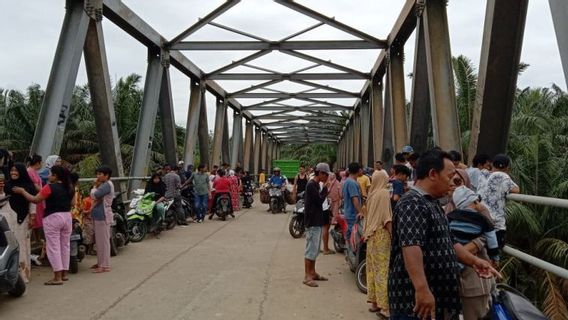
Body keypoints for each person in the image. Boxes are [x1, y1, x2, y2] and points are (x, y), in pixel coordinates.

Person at [388, 149, 499, 320]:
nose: (452, 183)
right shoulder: (413, 203)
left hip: (435, 298)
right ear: (433, 174)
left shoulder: (431, 203)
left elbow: (450, 242)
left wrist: (475, 261)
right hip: (414, 303)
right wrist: (422, 289)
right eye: (449, 177)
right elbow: (411, 247)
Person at [13, 165, 74, 285]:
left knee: (53, 247)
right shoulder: (69, 187)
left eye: (50, 174)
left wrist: (23, 191)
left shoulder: (49, 187)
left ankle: (57, 277)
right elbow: (72, 203)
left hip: (52, 217)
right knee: (65, 245)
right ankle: (64, 274)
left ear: (56, 176)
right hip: (67, 216)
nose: (48, 176)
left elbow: (35, 199)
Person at [448, 186, 499, 320]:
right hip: (475, 284)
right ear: (475, 202)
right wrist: (495, 257)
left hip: (453, 276)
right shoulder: (482, 220)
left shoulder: (449, 217)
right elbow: (491, 240)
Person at [364, 170, 392, 318]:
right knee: (383, 270)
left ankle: (374, 302)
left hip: (370, 236)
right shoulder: (384, 193)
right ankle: (385, 308)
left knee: (372, 270)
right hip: (381, 235)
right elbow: (386, 218)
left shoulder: (372, 194)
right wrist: (394, 236)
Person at [477, 154, 520, 248]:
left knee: (483, 253)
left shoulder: (483, 174)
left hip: (480, 219)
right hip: (495, 224)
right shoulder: (503, 176)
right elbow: (516, 189)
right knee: (494, 255)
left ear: (492, 165)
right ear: (507, 167)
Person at [4, 163, 37, 283]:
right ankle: (11, 275)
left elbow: (33, 201)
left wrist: (32, 217)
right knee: (10, 246)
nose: (13, 173)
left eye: (16, 171)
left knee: (22, 246)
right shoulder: (7, 185)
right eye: (12, 170)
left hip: (23, 220)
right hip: (9, 219)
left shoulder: (28, 186)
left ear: (22, 172)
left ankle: (23, 275)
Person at [302, 163, 331, 287]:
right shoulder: (311, 185)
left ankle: (312, 272)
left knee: (315, 249)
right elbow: (319, 201)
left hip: (316, 220)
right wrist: (325, 189)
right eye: (326, 174)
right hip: (312, 221)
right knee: (311, 249)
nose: (327, 177)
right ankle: (307, 275)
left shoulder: (315, 184)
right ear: (320, 173)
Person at [90, 166, 114, 273]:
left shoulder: (106, 185)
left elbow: (95, 195)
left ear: (106, 175)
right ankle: (101, 262)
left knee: (102, 241)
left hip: (102, 215)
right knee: (100, 241)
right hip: (99, 215)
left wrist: (94, 186)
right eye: (97, 174)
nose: (98, 176)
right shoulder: (105, 185)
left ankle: (104, 265)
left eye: (100, 174)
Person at [342, 162, 363, 240]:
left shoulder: (347, 181)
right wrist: (360, 212)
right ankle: (351, 251)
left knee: (349, 235)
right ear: (359, 170)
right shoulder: (352, 183)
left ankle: (348, 249)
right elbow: (355, 199)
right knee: (354, 237)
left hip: (349, 212)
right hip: (352, 214)